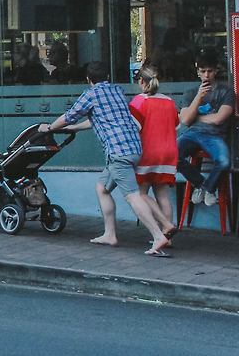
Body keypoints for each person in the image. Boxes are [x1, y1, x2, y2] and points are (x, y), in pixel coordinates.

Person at [38, 62, 171, 256]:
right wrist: (73, 129)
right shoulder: (117, 91)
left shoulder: (91, 95)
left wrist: (49, 128)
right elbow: (99, 119)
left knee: (132, 195)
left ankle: (158, 236)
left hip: (118, 152)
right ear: (107, 76)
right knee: (102, 188)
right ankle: (110, 234)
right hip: (133, 148)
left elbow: (69, 116)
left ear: (88, 79)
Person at [176, 48, 234, 207]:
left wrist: (196, 118)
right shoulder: (191, 93)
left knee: (224, 161)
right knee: (172, 155)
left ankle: (208, 188)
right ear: (198, 72)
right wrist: (199, 97)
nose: (207, 75)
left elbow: (219, 119)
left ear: (216, 71)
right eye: (203, 71)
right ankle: (202, 185)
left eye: (210, 71)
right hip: (193, 134)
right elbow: (186, 120)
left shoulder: (226, 92)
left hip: (215, 135)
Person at [128, 62, 179, 238]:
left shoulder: (139, 101)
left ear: (141, 81)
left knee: (141, 194)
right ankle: (167, 237)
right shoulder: (169, 102)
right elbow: (176, 124)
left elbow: (133, 128)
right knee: (162, 193)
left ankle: (165, 225)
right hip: (169, 152)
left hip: (148, 152)